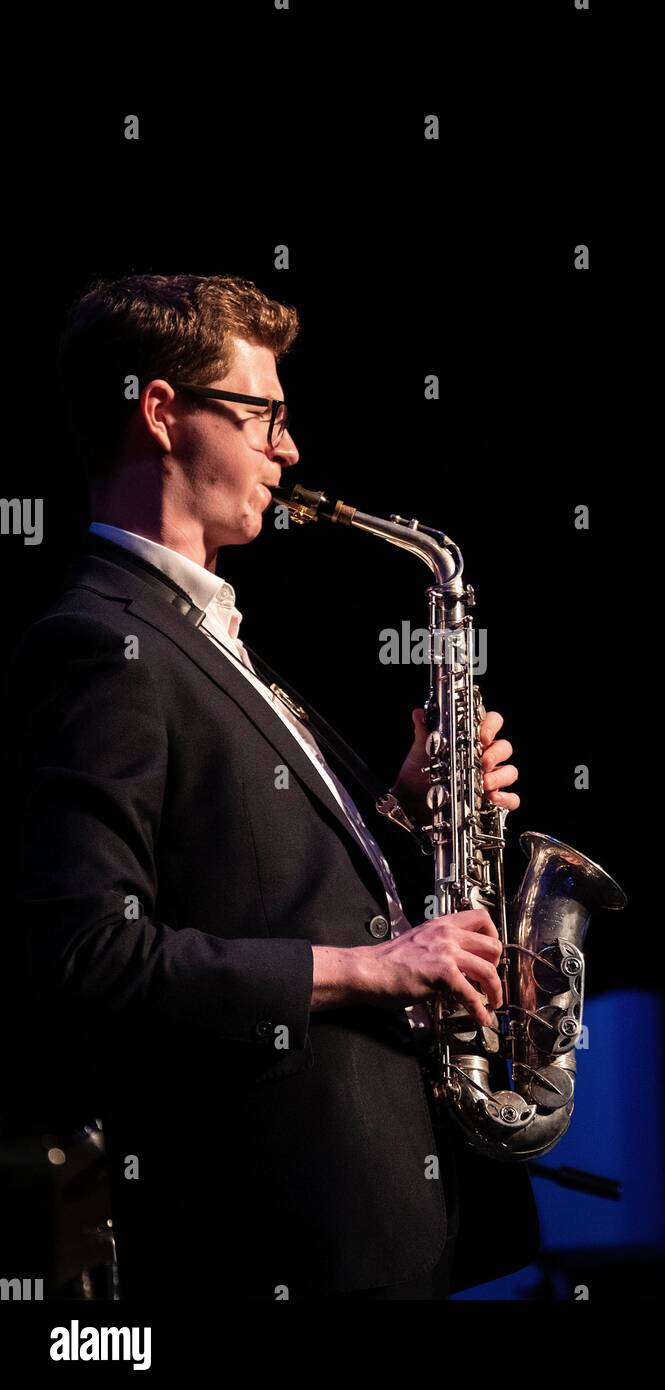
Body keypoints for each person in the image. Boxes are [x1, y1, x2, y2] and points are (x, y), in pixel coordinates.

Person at [7, 274, 540, 1299]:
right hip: (279, 1238)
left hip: (381, 1216)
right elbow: (85, 954)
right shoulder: (97, 644)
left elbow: (251, 881)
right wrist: (373, 968)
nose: (287, 451)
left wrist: (403, 811)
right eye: (263, 415)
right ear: (161, 412)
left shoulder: (198, 637)